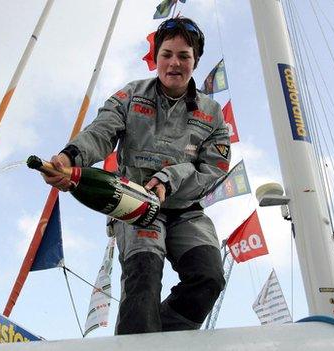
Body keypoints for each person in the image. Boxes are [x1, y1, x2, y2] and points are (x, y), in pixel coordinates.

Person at [42, 17, 230, 334]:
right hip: (135, 204)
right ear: (156, 58)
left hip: (187, 211)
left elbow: (213, 169)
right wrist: (68, 157)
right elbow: (100, 133)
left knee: (209, 277)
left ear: (195, 61)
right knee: (143, 278)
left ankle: (159, 339)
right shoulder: (131, 95)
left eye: (184, 56)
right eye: (167, 54)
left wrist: (170, 178)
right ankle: (139, 337)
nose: (174, 63)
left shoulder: (212, 113)